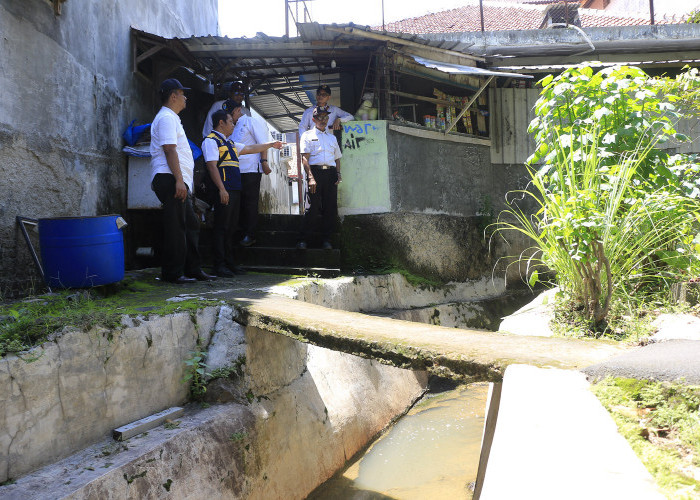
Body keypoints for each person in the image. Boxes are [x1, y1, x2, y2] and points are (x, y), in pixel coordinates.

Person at [203, 107, 282, 277]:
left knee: (231, 228)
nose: (233, 124)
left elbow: (250, 148)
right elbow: (211, 166)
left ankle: (230, 263)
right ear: (221, 123)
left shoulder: (229, 143)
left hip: (235, 190)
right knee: (221, 227)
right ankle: (219, 264)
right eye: (231, 121)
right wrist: (221, 189)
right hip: (224, 190)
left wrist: (270, 144)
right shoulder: (211, 141)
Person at [150, 78, 215, 284]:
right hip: (170, 178)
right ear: (173, 96)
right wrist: (179, 180)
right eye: (182, 93)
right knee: (177, 226)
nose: (186, 97)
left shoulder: (172, 118)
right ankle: (173, 273)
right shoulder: (167, 118)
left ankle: (192, 269)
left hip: (176, 179)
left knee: (191, 224)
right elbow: (169, 149)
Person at [230, 96, 273, 247]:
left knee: (250, 203)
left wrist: (264, 162)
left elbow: (263, 143)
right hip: (236, 170)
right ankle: (241, 233)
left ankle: (250, 234)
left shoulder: (251, 121)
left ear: (238, 110)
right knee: (239, 203)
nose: (230, 117)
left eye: (231, 113)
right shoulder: (231, 126)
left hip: (251, 169)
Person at [297, 107, 342, 250]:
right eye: (320, 117)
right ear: (313, 119)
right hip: (314, 173)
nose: (323, 120)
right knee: (313, 208)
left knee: (330, 208)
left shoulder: (332, 138)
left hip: (330, 174)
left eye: (325, 117)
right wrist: (310, 177)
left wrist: (338, 174)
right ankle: (303, 240)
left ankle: (326, 240)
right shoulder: (307, 135)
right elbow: (305, 158)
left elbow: (337, 158)